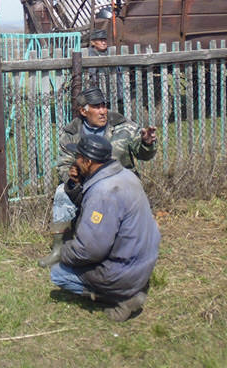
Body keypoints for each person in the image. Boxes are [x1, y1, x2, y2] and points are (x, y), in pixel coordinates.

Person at [37, 86, 156, 267]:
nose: (103, 111)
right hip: (87, 186)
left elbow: (143, 155)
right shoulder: (71, 134)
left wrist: (147, 144)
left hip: (119, 186)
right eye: (97, 107)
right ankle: (59, 249)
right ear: (83, 111)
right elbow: (64, 164)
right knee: (62, 192)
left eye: (103, 106)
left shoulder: (124, 127)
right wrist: (74, 177)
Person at [50, 134, 161, 322]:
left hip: (125, 271)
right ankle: (132, 286)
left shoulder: (103, 192)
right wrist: (74, 185)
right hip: (144, 261)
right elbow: (90, 206)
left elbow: (90, 250)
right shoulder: (124, 175)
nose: (74, 161)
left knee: (58, 273)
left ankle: (122, 297)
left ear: (87, 161)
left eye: (78, 157)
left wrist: (64, 253)